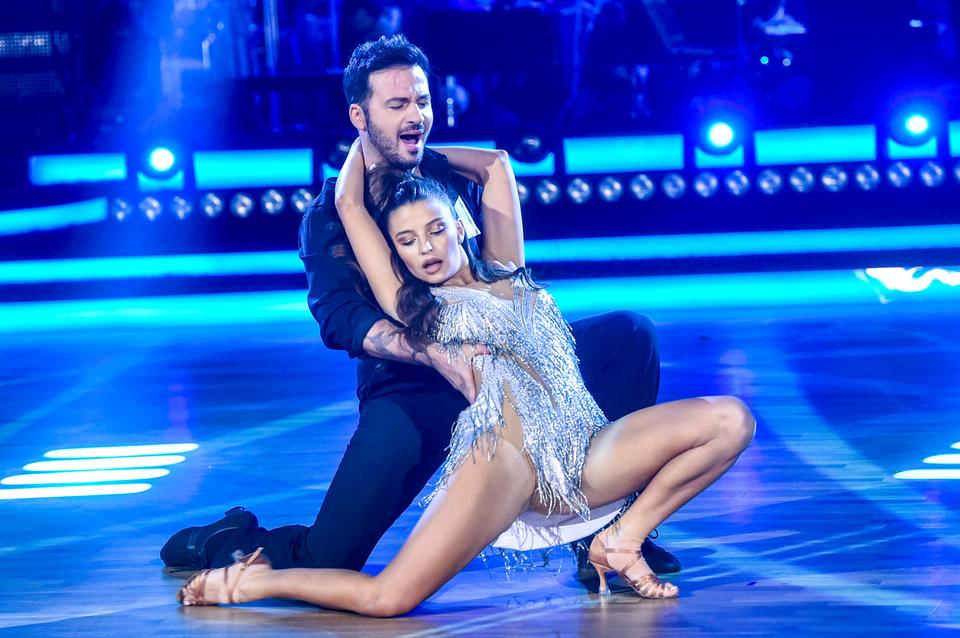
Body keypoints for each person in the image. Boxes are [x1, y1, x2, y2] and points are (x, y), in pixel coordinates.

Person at [160, 34, 678, 581]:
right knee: (330, 559)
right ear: (359, 115)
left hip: (497, 368)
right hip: (410, 386)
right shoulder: (332, 214)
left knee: (628, 336)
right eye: (398, 104)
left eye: (422, 101)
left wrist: (420, 157)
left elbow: (497, 191)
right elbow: (344, 319)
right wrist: (429, 352)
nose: (416, 115)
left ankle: (607, 535)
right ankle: (226, 537)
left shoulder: (443, 179)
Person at [175, 135, 755, 614]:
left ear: (459, 223)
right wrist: (371, 142)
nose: (425, 248)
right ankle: (250, 582)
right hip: (502, 465)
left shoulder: (508, 270)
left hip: (579, 454)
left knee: (730, 420)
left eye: (434, 230)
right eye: (406, 242)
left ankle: (621, 540)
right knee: (387, 599)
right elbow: (350, 204)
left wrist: (419, 153)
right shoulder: (417, 307)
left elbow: (496, 165)